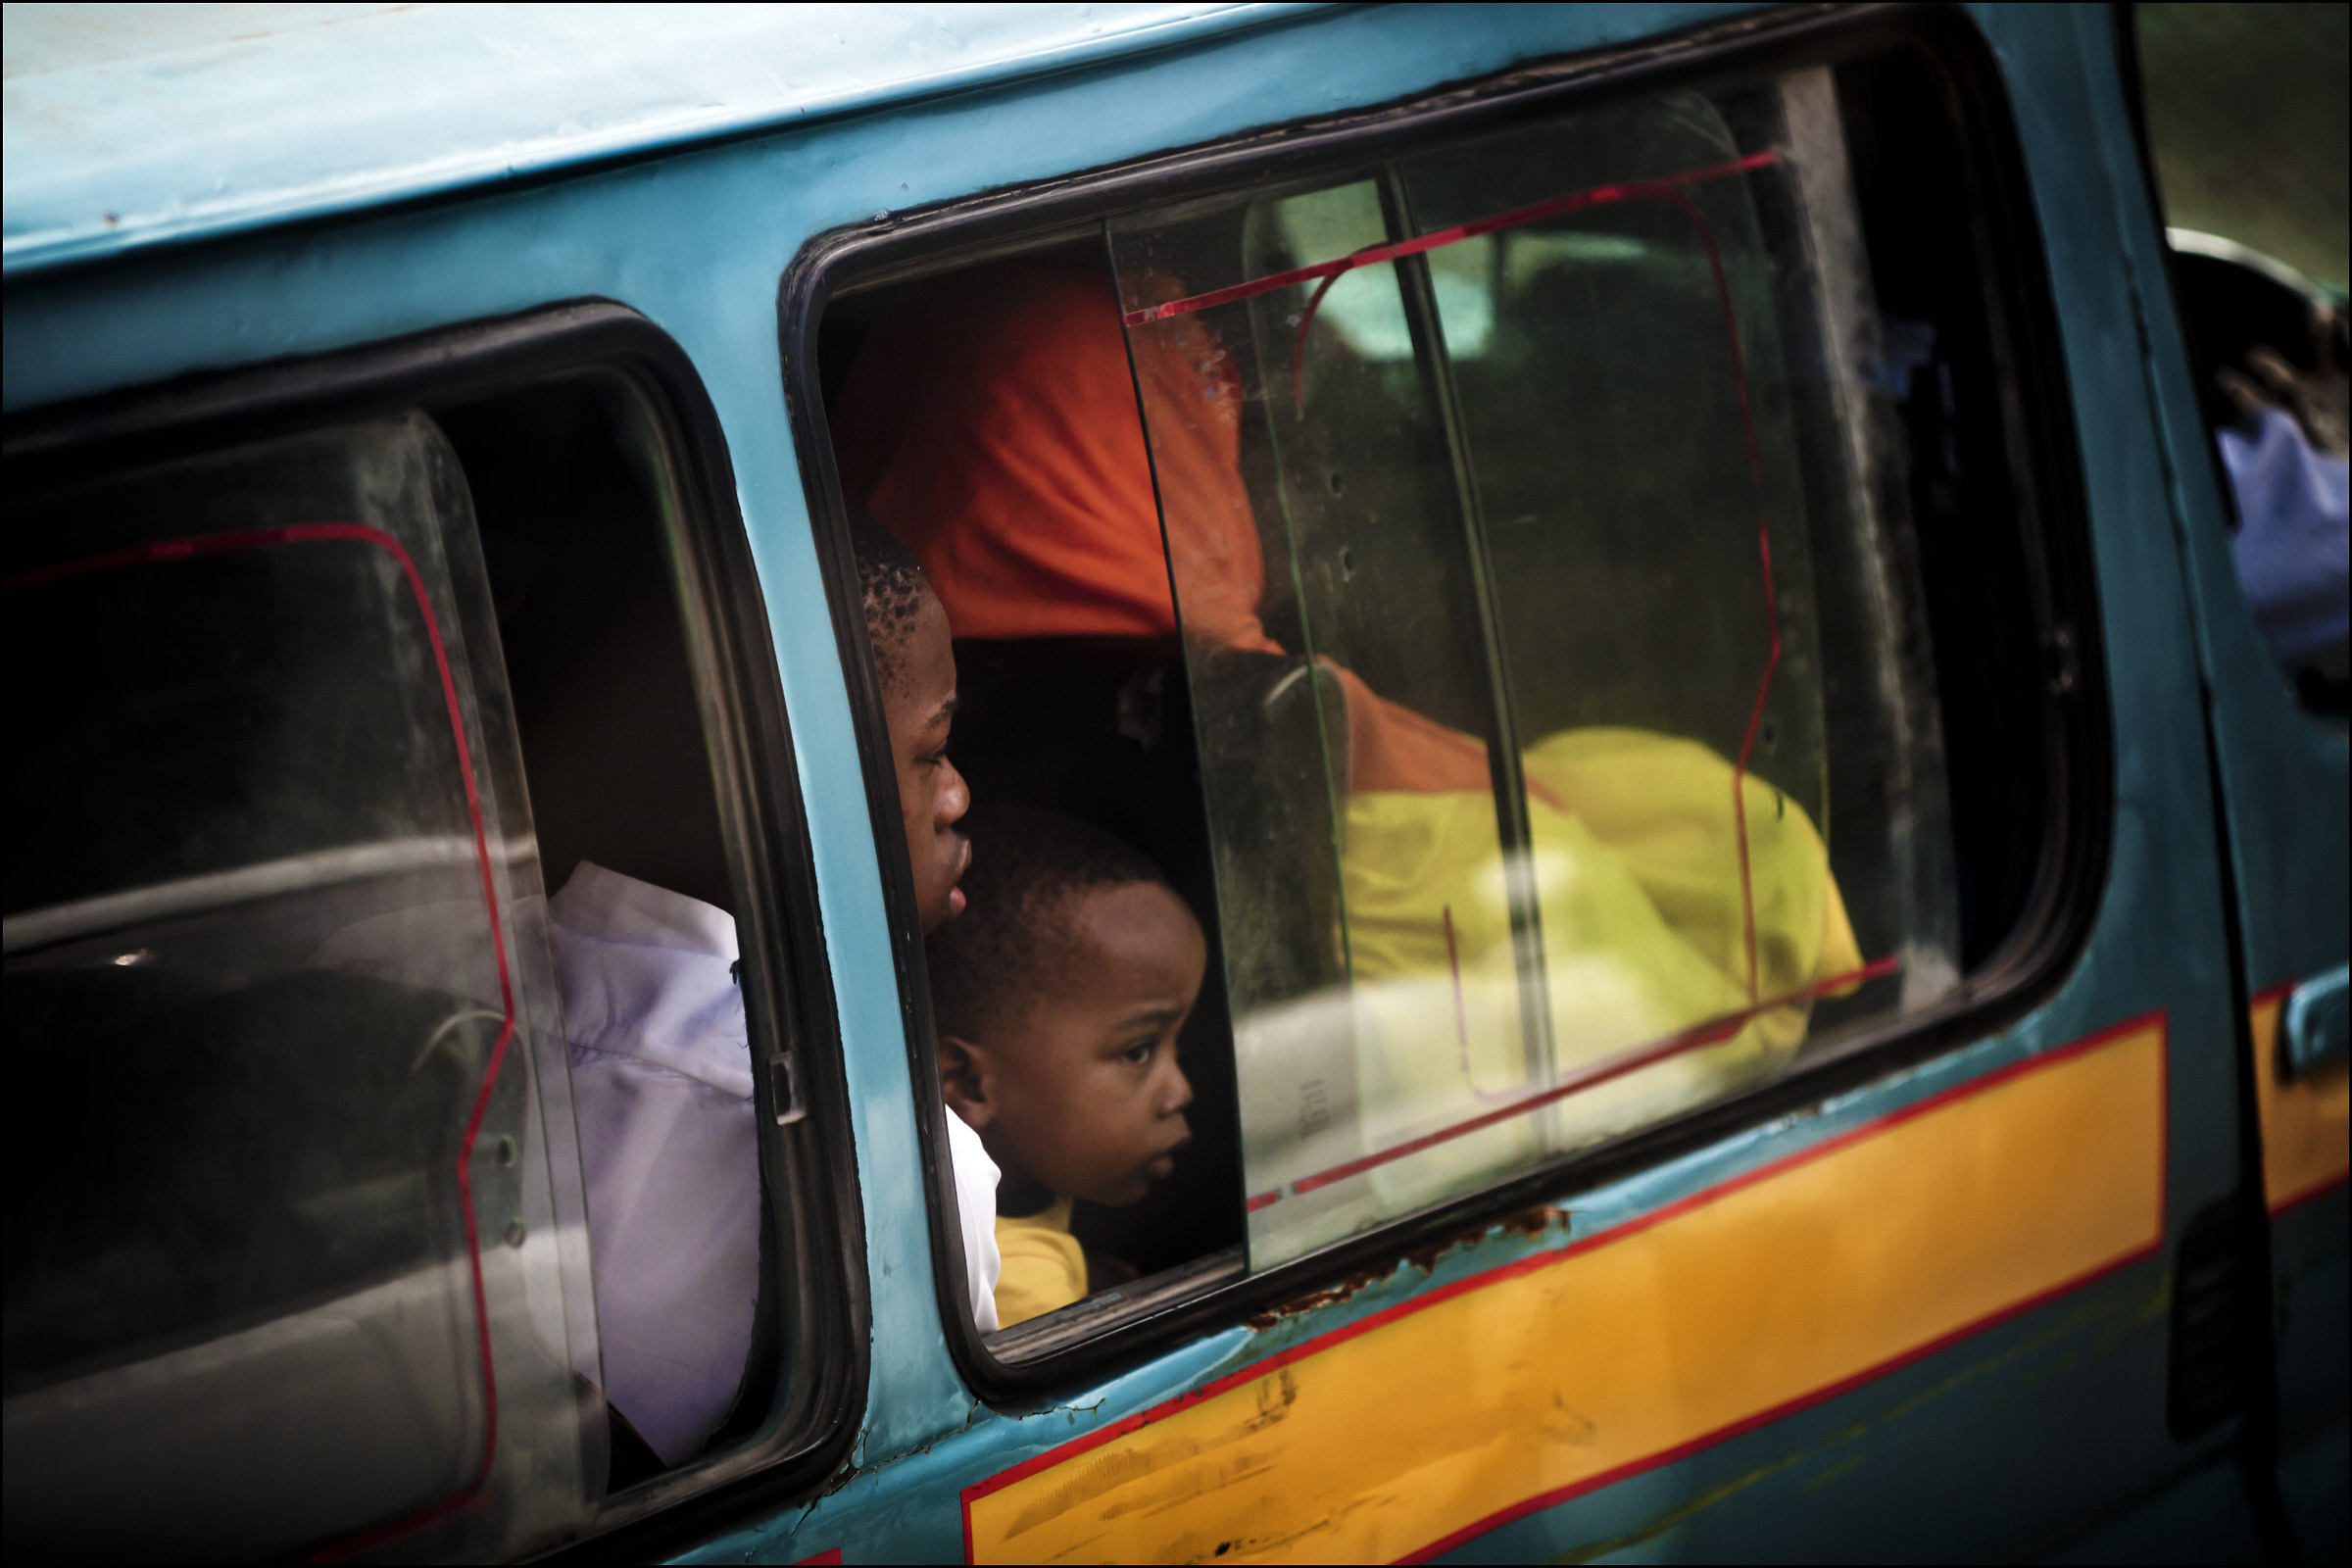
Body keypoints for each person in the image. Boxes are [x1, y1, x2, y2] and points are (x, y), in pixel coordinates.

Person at [555, 509, 988, 1473]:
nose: (955, 794)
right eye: (930, 751)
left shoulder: (423, 992)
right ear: (788, 782)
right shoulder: (891, 1162)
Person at [924, 807, 1202, 1328]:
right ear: (967, 1083)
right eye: (1138, 1051)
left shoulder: (1030, 1179)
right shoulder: (1027, 1294)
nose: (1181, 1090)